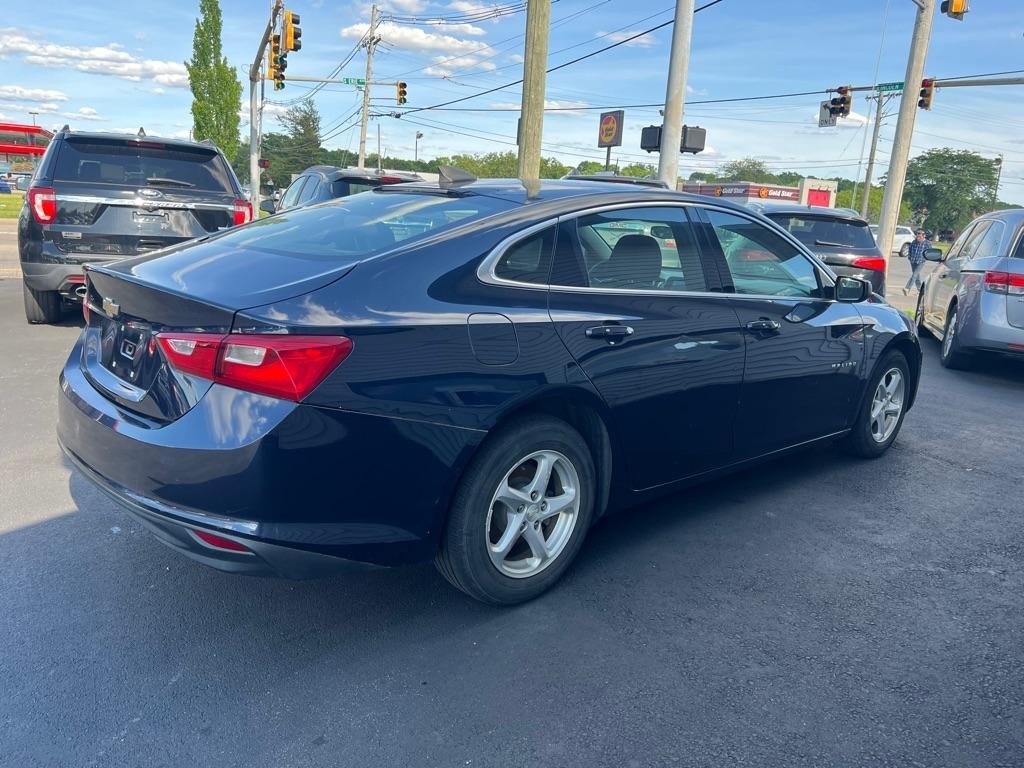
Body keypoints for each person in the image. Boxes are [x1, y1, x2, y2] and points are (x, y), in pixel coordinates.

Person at [903, 228, 931, 295]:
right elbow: (910, 250)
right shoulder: (914, 242)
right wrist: (909, 257)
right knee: (916, 277)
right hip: (913, 261)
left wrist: (925, 258)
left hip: (921, 262)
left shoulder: (927, 243)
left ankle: (907, 288)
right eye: (917, 233)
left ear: (924, 235)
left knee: (914, 275)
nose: (917, 235)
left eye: (919, 234)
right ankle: (920, 290)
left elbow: (929, 252)